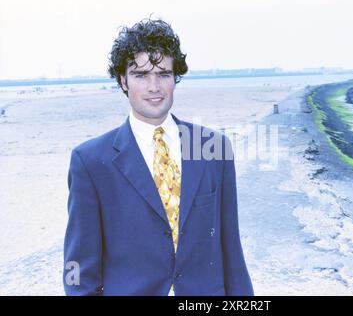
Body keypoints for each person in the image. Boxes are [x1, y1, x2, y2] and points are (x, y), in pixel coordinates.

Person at [63, 17, 254, 296]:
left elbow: (231, 251)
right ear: (123, 80)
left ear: (175, 79)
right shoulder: (90, 161)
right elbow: (78, 266)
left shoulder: (214, 148)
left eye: (163, 74)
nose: (154, 86)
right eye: (141, 75)